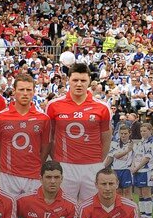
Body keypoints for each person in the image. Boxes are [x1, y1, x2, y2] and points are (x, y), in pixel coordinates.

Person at [46, 62, 112, 204]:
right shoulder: (54, 106)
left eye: (83, 81)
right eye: (75, 80)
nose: (79, 84)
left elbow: (106, 138)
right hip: (64, 166)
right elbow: (49, 137)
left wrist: (97, 162)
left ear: (89, 81)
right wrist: (57, 160)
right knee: (63, 210)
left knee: (92, 211)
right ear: (68, 80)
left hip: (92, 166)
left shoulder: (102, 107)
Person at [0, 73, 52, 198]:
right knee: (9, 216)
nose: (25, 93)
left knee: (33, 216)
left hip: (34, 176)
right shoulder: (0, 117)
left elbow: (45, 148)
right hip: (7, 176)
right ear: (14, 92)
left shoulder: (43, 118)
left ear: (34, 91)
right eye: (21, 89)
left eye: (29, 90)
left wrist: (35, 166)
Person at [105, 124, 135, 196]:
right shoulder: (114, 144)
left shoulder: (133, 145)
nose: (123, 135)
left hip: (126, 170)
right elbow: (114, 156)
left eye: (125, 133)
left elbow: (135, 158)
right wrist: (101, 167)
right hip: (115, 170)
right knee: (118, 192)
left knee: (127, 192)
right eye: (121, 133)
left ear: (129, 133)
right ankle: (119, 207)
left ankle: (129, 207)